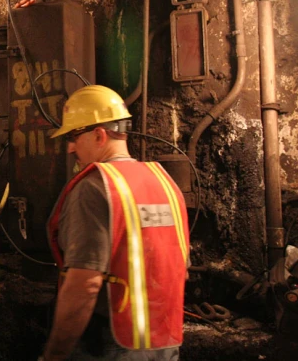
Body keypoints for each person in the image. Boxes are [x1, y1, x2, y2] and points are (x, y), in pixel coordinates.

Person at [42, 85, 190, 361]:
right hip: (164, 343)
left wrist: (53, 355)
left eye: (74, 136)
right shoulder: (165, 183)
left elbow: (84, 286)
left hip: (110, 344)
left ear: (99, 134)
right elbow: (179, 268)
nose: (70, 147)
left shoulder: (95, 188)